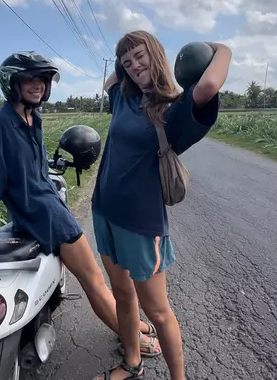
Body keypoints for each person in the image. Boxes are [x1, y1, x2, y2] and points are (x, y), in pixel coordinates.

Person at [0, 51, 161, 358]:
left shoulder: (31, 118)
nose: (38, 85)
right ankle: (131, 336)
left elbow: (21, 160)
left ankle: (131, 325)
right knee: (93, 280)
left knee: (95, 277)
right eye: (30, 79)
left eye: (43, 79)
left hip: (45, 206)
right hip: (46, 215)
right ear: (12, 83)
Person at [91, 31, 232, 380]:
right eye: (127, 62)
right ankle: (133, 362)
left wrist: (220, 48)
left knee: (158, 311)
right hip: (103, 210)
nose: (134, 66)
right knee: (123, 295)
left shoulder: (176, 108)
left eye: (140, 56)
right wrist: (123, 55)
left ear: (156, 53)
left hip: (140, 224)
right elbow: (113, 77)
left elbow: (210, 85)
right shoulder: (123, 97)